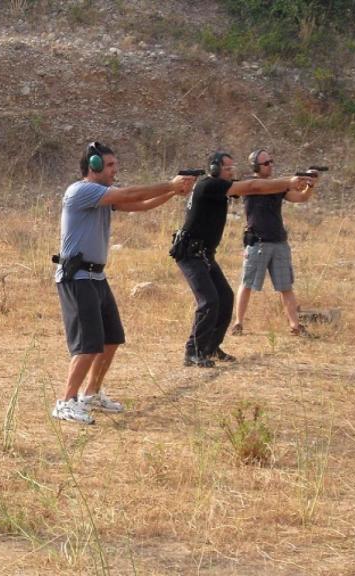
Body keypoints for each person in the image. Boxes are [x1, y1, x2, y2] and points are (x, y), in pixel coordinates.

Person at [51, 141, 195, 424]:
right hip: (77, 277)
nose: (116, 170)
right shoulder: (81, 190)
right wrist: (169, 184)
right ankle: (66, 401)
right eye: (110, 165)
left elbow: (139, 204)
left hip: (96, 276)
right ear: (93, 167)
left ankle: (90, 394)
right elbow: (131, 193)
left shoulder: (101, 195)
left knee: (111, 338)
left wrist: (172, 192)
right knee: (88, 344)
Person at [171, 152, 314, 368]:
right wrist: (288, 182)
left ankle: (210, 347)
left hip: (204, 254)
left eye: (232, 168)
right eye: (227, 169)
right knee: (209, 301)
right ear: (214, 168)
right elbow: (253, 187)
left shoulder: (220, 185)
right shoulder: (209, 185)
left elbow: (258, 186)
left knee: (225, 298)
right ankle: (193, 351)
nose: (232, 172)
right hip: (190, 253)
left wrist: (298, 184)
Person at [230, 149, 317, 337]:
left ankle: (295, 325)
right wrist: (289, 182)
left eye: (271, 161)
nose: (270, 165)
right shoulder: (249, 185)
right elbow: (258, 187)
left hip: (278, 241)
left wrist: (309, 185)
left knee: (286, 286)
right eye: (266, 163)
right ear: (255, 167)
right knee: (246, 283)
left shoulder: (279, 186)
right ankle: (238, 322)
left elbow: (301, 198)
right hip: (258, 242)